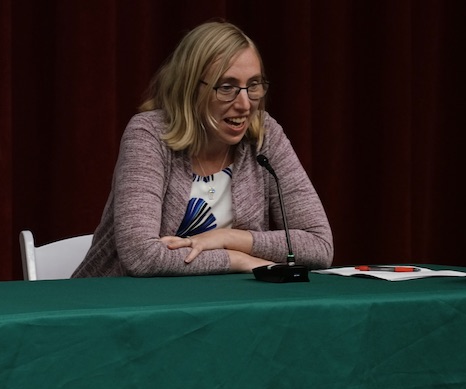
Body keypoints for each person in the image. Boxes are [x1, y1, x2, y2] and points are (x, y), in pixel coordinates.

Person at [72, 20, 333, 278]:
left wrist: (227, 238)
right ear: (190, 89)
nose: (244, 104)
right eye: (227, 87)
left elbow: (319, 246)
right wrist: (238, 259)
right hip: (125, 305)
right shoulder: (149, 134)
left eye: (253, 85)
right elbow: (141, 256)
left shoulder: (265, 134)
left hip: (224, 305)